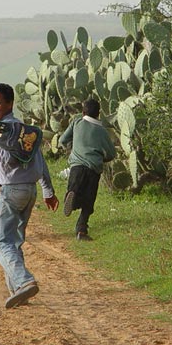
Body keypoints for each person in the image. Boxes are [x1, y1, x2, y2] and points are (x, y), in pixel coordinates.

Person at [0, 83, 59, 308]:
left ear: (9, 104)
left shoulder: (2, 131)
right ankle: (17, 291)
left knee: (2, 244)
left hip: (12, 190)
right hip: (29, 190)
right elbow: (39, 161)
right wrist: (47, 190)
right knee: (13, 241)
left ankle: (24, 282)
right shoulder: (26, 132)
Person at [58, 98, 117, 241]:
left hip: (76, 166)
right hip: (93, 169)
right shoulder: (102, 131)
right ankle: (81, 231)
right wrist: (101, 158)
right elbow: (111, 154)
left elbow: (62, 140)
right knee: (88, 201)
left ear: (83, 112)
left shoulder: (77, 122)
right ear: (99, 114)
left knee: (75, 188)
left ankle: (71, 197)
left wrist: (73, 148)